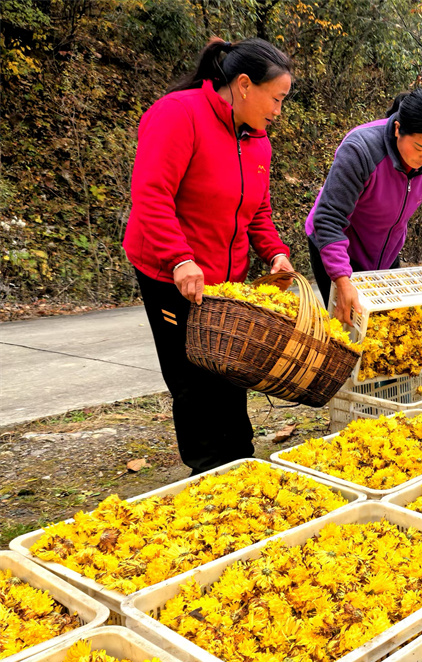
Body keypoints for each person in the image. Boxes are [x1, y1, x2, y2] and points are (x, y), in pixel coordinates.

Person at [124, 37, 294, 475]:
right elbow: (151, 194)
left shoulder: (257, 141)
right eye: (275, 98)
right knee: (192, 377)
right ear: (243, 85)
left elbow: (257, 210)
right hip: (169, 271)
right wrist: (180, 259)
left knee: (229, 367)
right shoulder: (179, 115)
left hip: (225, 277)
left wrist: (275, 252)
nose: (278, 110)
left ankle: (241, 459)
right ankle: (208, 469)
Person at [306, 88, 422, 322]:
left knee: (388, 329)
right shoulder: (361, 149)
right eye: (419, 148)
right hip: (337, 245)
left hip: (386, 251)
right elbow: (329, 218)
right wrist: (342, 279)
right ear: (397, 130)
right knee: (348, 327)